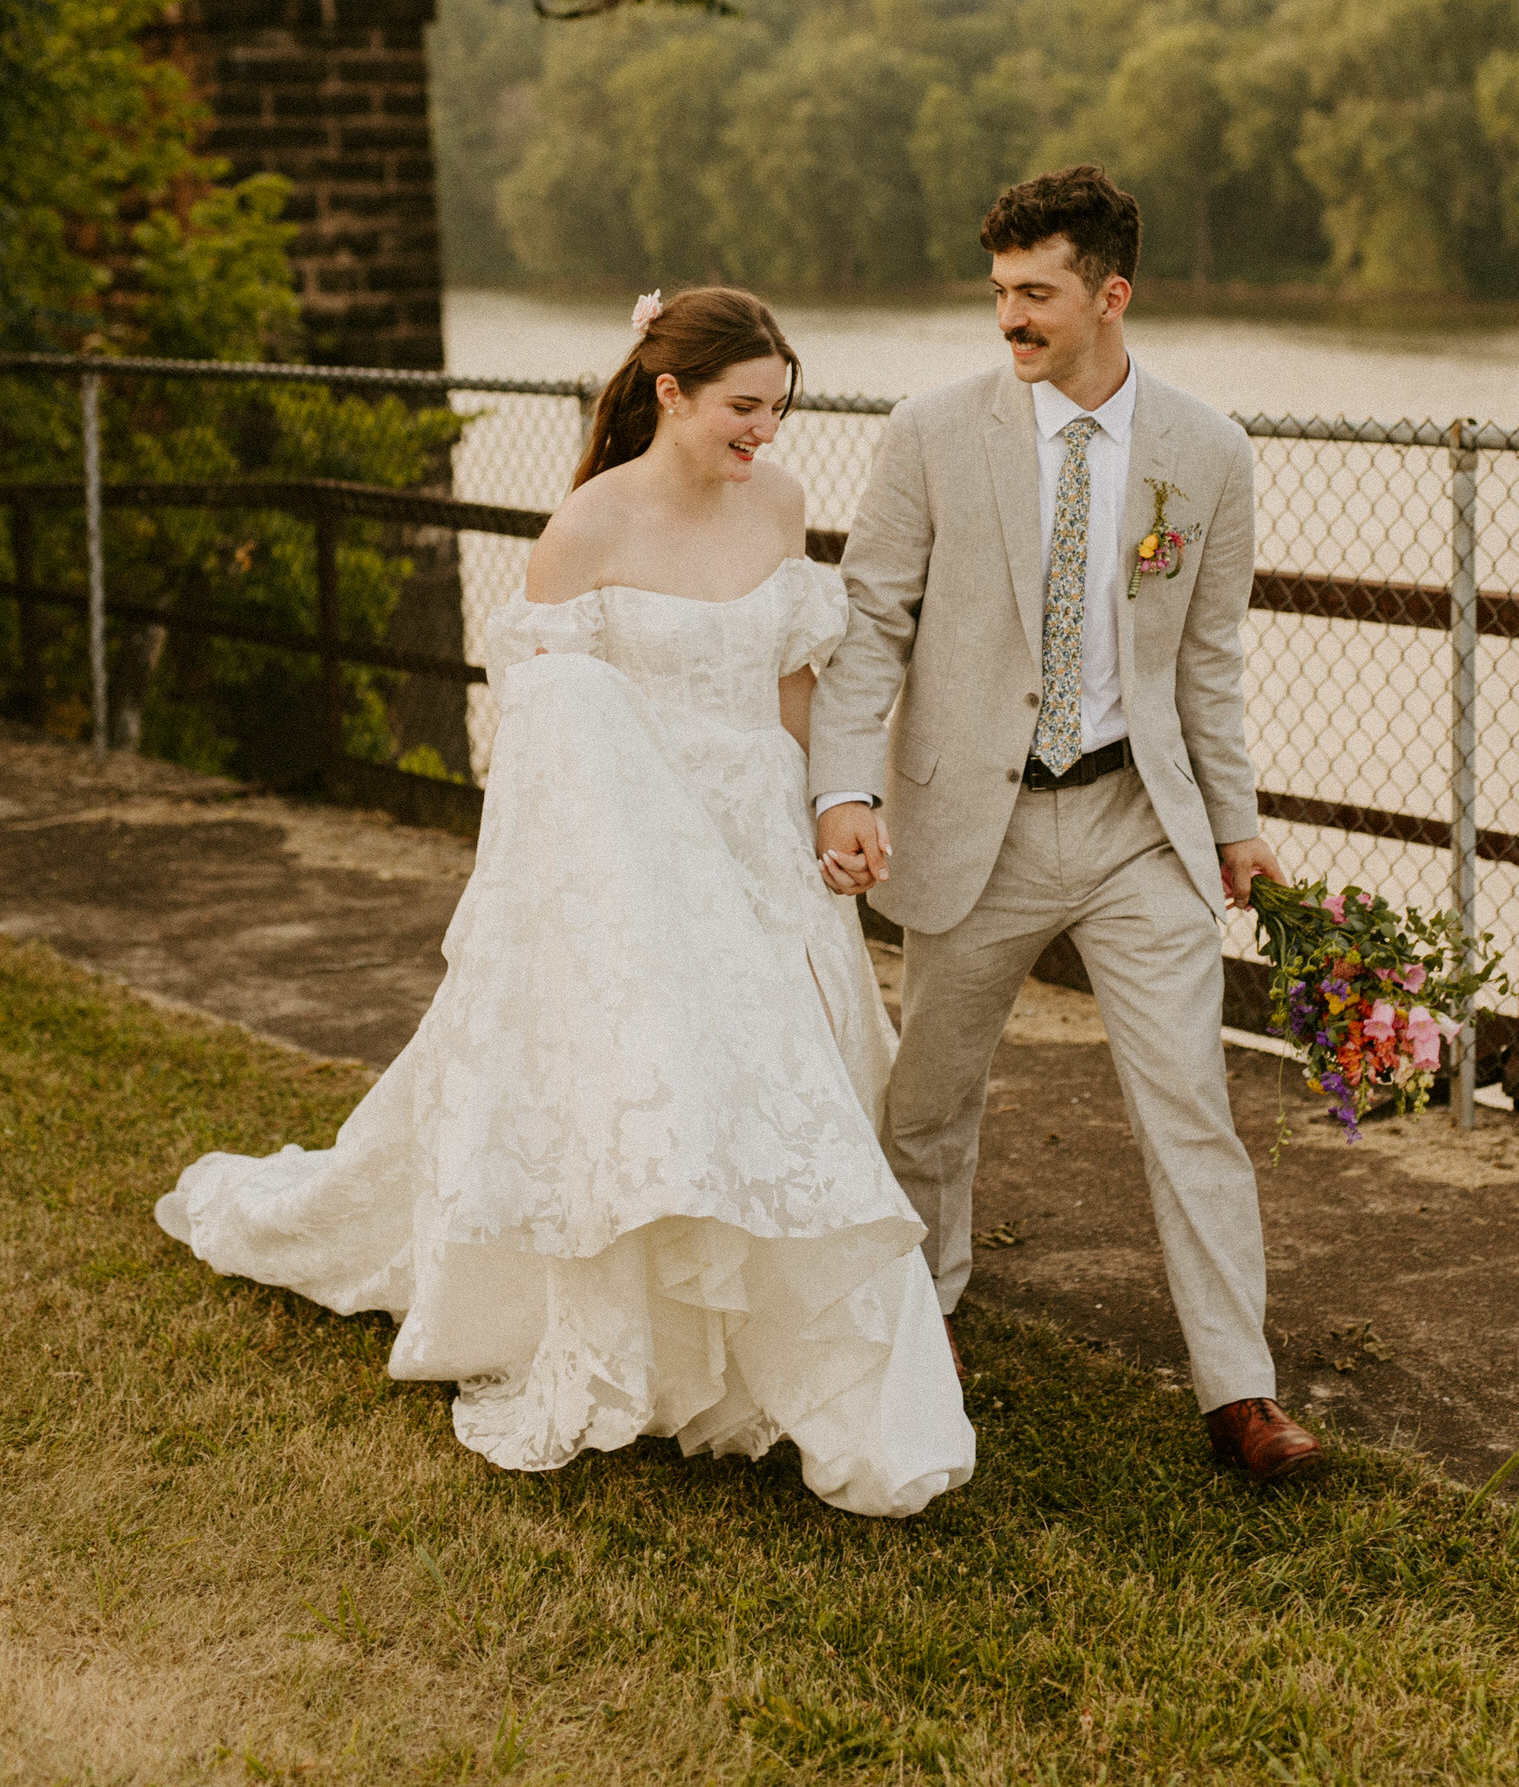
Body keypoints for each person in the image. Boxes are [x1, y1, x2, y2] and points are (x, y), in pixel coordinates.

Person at [157, 287, 974, 1520]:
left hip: (756, 833)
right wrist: (614, 912)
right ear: (670, 393)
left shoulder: (783, 503)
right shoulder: (583, 532)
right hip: (634, 871)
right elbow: (549, 766)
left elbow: (792, 685)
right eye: (743, 408)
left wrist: (826, 812)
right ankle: (659, 1338)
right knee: (664, 1078)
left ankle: (774, 1323)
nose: (765, 431)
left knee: (787, 1073)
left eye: (778, 409)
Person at [810, 166, 1323, 1485]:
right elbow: (869, 630)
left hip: (1130, 826)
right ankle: (922, 1324)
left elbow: (1202, 664)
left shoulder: (1205, 453)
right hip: (967, 829)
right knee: (927, 1101)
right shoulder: (930, 434)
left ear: (1109, 295)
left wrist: (1236, 825)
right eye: (997, 293)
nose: (1008, 319)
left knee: (1189, 1104)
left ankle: (1237, 1386)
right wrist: (844, 787)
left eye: (1033, 294)